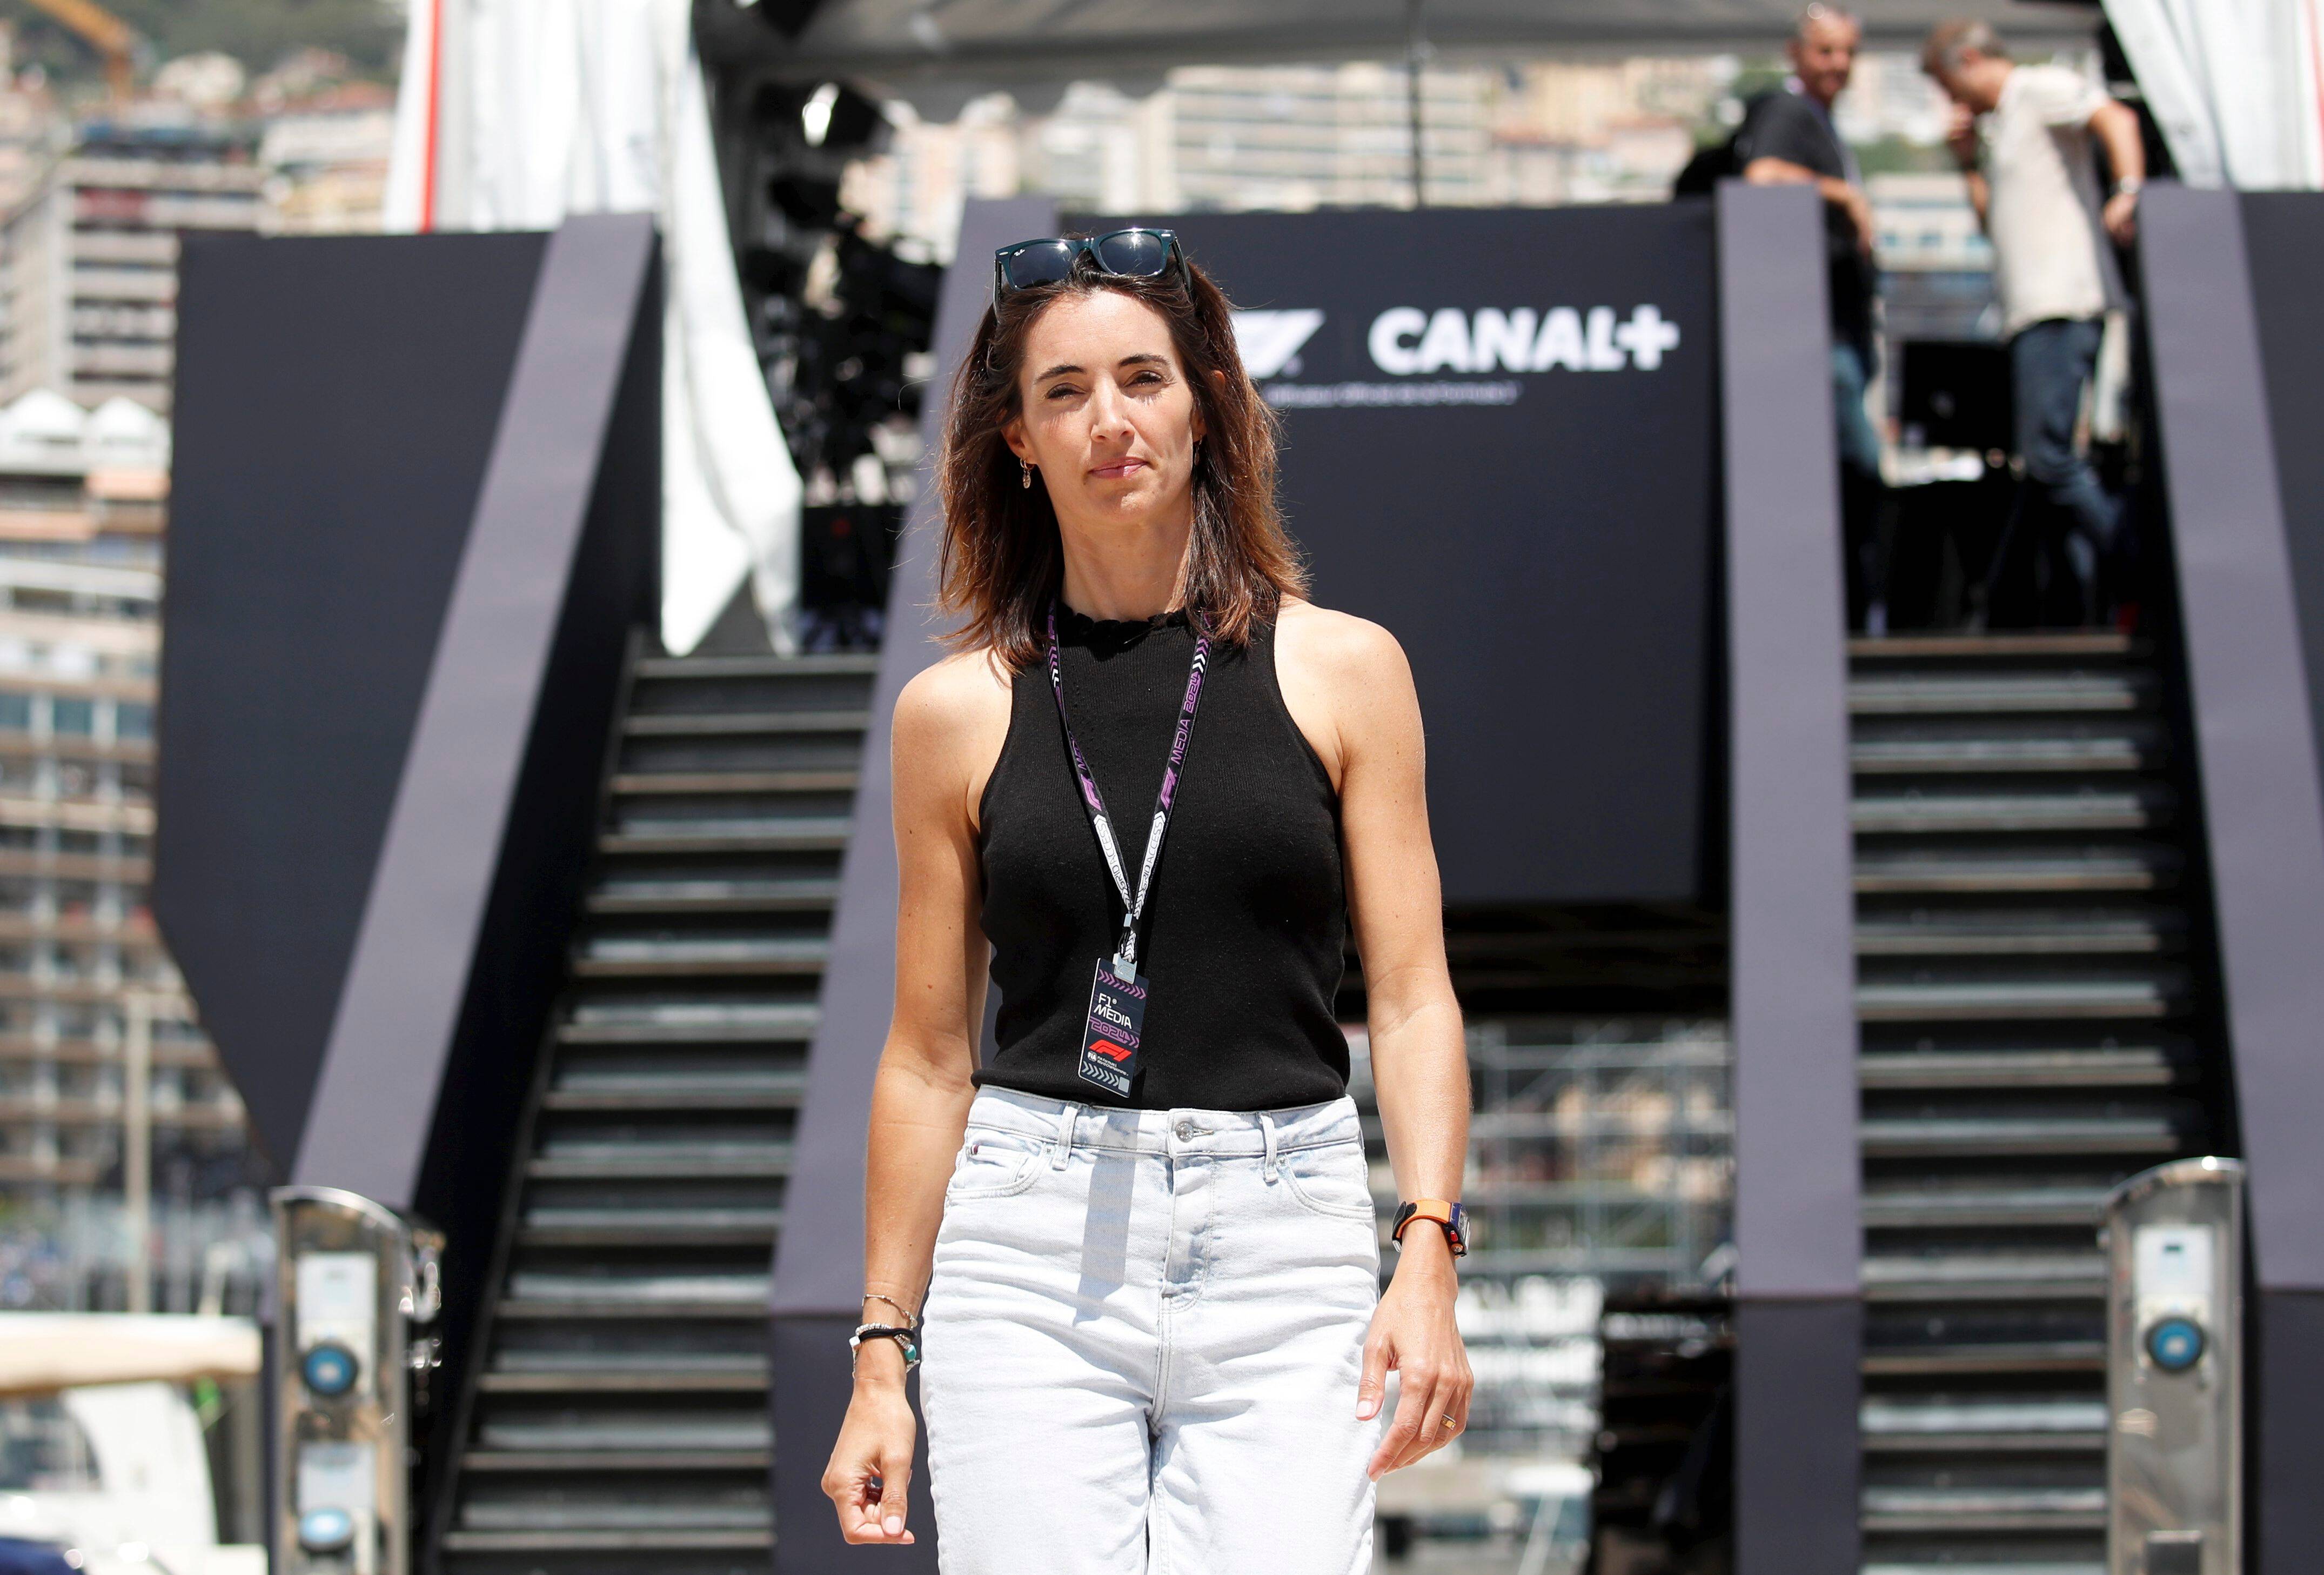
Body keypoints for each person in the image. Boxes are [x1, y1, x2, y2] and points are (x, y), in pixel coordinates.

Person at [819, 228, 1475, 1571]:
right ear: (1015, 436)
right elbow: (928, 1058)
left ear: (1208, 404)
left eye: (1143, 379)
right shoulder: (953, 713)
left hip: (1284, 1233)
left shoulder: (1345, 670)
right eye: (1063, 390)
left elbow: (1411, 1002)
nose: (1108, 420)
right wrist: (882, 1351)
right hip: (1032, 1246)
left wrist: (1428, 1248)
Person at [1923, 20, 2145, 625]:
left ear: (1967, 59)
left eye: (1948, 85)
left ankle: (2135, 571)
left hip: (2061, 301)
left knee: (2048, 460)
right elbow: (1993, 221)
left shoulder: (2039, 87)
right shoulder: (1999, 129)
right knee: (2039, 467)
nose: (1952, 102)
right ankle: (2055, 600)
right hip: (2028, 310)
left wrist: (2126, 190)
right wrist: (1967, 162)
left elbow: (2115, 120)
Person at [1739, 3, 1886, 629]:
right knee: (1857, 472)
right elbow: (1762, 174)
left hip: (1843, 327)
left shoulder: (1824, 121)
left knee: (1852, 477)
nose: (1839, 65)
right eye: (1826, 52)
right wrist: (1842, 195)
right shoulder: (1788, 111)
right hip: (1817, 332)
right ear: (1796, 55)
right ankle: (1855, 611)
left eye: (1848, 53)